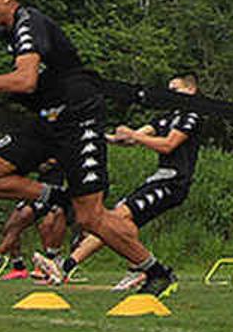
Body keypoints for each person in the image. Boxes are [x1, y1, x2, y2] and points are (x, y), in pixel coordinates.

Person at [0, 0, 177, 298]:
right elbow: (30, 86)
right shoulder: (10, 34)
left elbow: (24, 81)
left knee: (91, 218)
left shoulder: (29, 23)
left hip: (78, 117)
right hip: (48, 119)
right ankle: (61, 199)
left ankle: (156, 272)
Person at [58, 78, 203, 291]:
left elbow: (168, 145)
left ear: (191, 90)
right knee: (116, 221)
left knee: (118, 218)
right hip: (159, 178)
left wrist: (133, 134)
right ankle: (70, 266)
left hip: (174, 181)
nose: (170, 93)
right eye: (168, 90)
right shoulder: (165, 118)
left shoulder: (191, 115)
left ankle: (137, 269)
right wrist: (97, 135)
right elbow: (131, 138)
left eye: (175, 89)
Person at [0, 161, 71, 280]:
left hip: (53, 191)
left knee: (36, 226)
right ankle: (18, 266)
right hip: (36, 190)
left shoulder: (62, 148)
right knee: (10, 225)